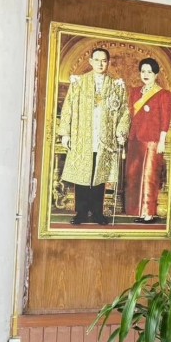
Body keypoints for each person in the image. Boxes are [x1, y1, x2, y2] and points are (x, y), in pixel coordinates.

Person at [57, 47, 130, 225]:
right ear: (90, 61)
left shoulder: (116, 86)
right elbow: (67, 109)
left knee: (99, 176)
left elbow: (124, 112)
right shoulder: (79, 82)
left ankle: (97, 213)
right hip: (83, 136)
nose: (100, 64)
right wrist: (65, 133)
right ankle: (81, 212)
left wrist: (121, 132)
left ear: (108, 63)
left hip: (104, 138)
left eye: (104, 60)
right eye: (97, 60)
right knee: (83, 175)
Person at [124, 58, 171, 223]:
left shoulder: (164, 94)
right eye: (143, 71)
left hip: (152, 141)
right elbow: (130, 115)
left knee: (149, 177)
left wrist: (162, 141)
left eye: (149, 72)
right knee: (134, 175)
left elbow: (165, 119)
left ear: (156, 74)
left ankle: (149, 213)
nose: (145, 74)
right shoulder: (135, 92)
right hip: (135, 139)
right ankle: (137, 211)